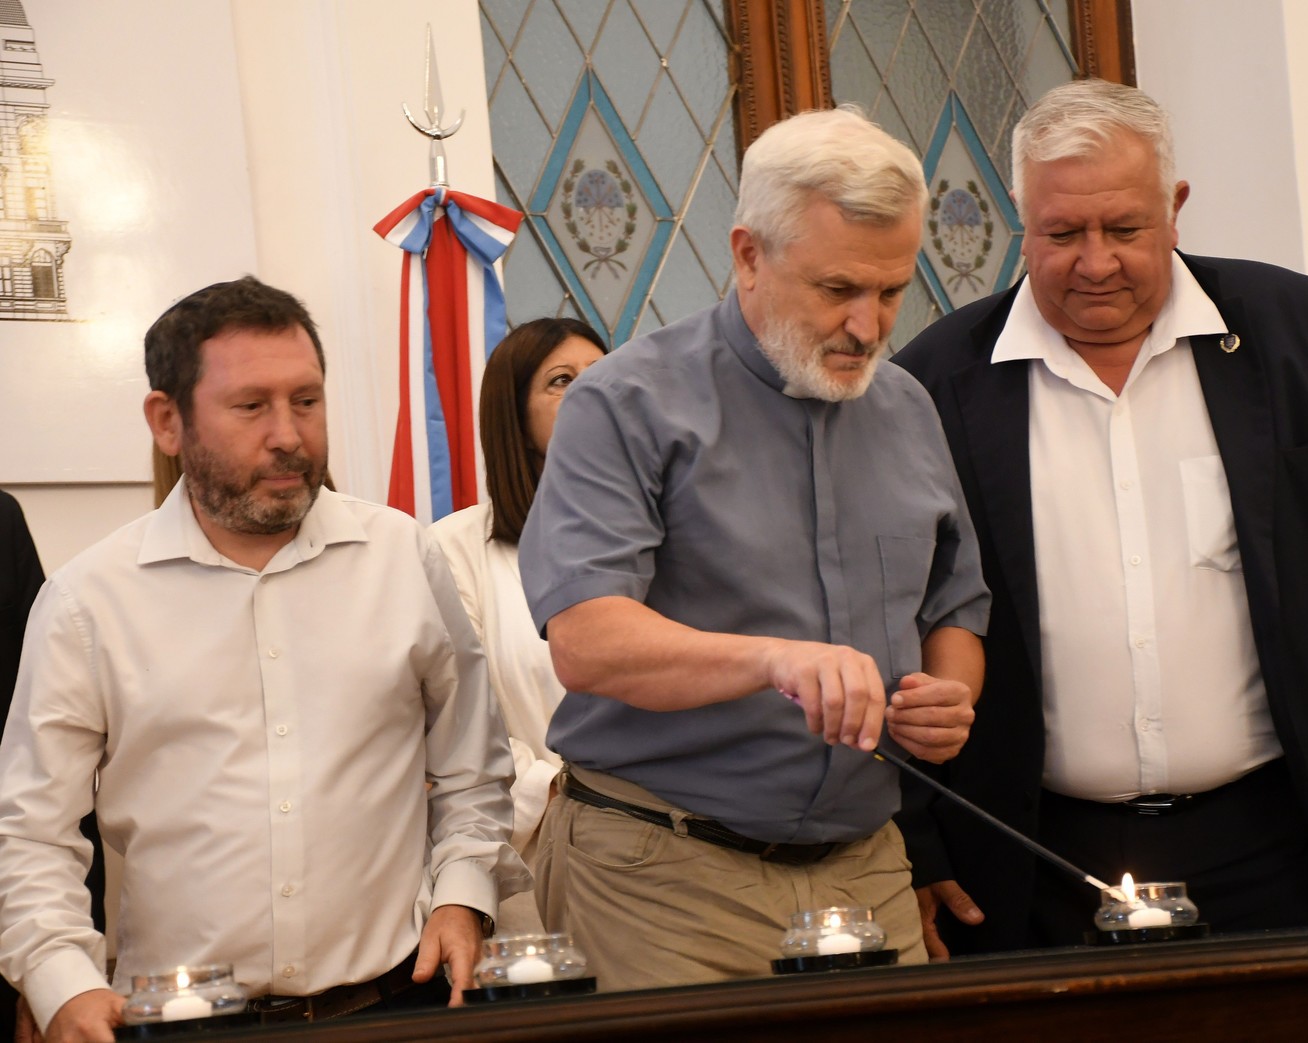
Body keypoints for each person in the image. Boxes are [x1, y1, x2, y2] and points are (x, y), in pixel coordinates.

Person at [892, 79, 1308, 956]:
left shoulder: (1292, 329)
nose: (1094, 262)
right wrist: (918, 840)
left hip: (1278, 841)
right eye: (1061, 233)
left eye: (1123, 230)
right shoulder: (937, 377)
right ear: (1019, 216)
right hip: (1032, 860)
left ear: (1174, 208)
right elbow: (902, 620)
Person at [517, 106, 991, 990]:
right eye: (836, 288)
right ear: (746, 254)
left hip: (865, 868)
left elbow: (954, 606)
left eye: (891, 292)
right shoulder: (624, 403)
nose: (867, 325)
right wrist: (771, 658)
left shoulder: (908, 408)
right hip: (662, 873)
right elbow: (585, 639)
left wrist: (950, 693)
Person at [0, 276, 526, 1040]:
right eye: (252, 406)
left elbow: (474, 766)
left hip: (399, 1006)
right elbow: (29, 830)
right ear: (167, 421)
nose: (288, 433)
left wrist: (461, 891)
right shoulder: (90, 601)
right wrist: (61, 980)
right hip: (178, 1020)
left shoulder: (402, 556)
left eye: (306, 401)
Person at [430, 317, 607, 931]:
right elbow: (456, 727)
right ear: (512, 413)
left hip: (672, 851)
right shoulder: (453, 550)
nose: (590, 391)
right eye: (561, 381)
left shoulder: (670, 539)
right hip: (535, 861)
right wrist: (565, 793)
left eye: (602, 373)